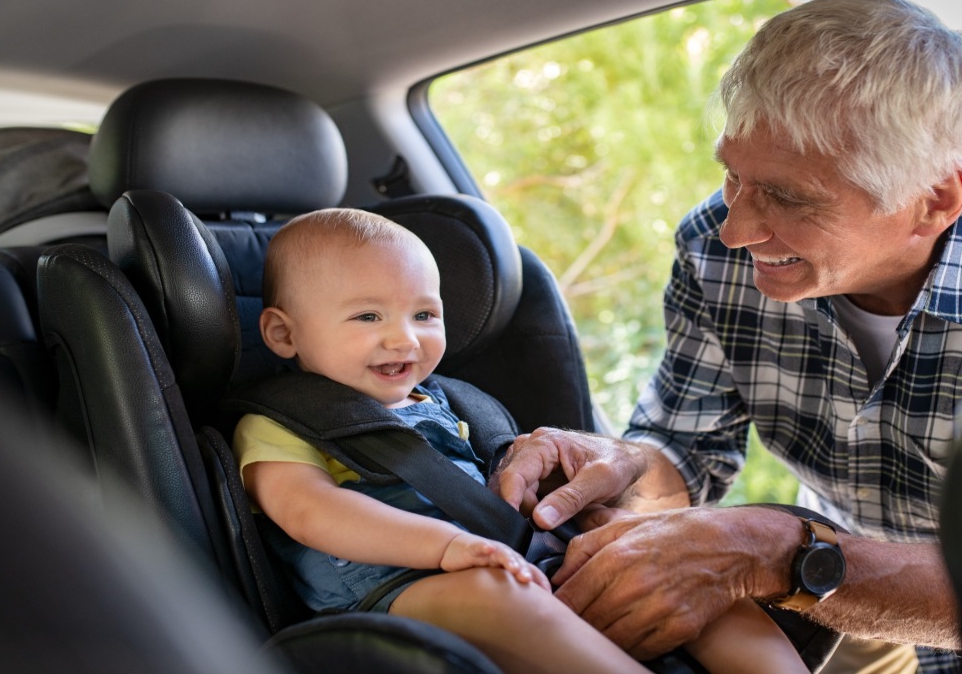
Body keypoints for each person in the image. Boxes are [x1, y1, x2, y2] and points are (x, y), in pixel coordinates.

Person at [491, 0, 962, 674]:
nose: (736, 229)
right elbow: (685, 453)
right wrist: (623, 465)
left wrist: (781, 553)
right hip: (840, 590)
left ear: (934, 199)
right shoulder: (714, 254)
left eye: (788, 196)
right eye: (731, 176)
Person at [232, 208, 809, 674]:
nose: (403, 338)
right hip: (390, 583)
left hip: (504, 554)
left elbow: (492, 489)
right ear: (283, 333)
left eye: (424, 314)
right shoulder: (280, 423)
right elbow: (310, 511)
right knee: (499, 600)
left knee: (684, 569)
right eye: (366, 317)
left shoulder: (451, 403)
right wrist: (444, 549)